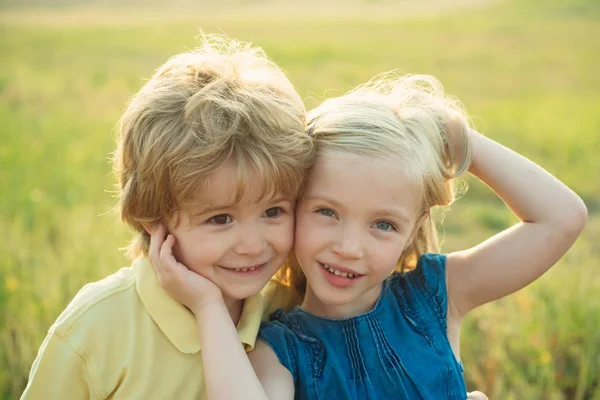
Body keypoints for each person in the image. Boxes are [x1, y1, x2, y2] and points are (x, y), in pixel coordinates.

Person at [149, 73, 587, 399]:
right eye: (327, 212)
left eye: (383, 225)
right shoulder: (281, 349)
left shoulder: (436, 296)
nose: (350, 248)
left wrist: (454, 134)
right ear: (292, 205)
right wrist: (207, 305)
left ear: (412, 230)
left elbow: (562, 218)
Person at [20, 34, 315, 399]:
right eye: (221, 219)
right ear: (153, 216)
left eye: (273, 211)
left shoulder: (288, 310)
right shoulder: (96, 328)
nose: (253, 245)